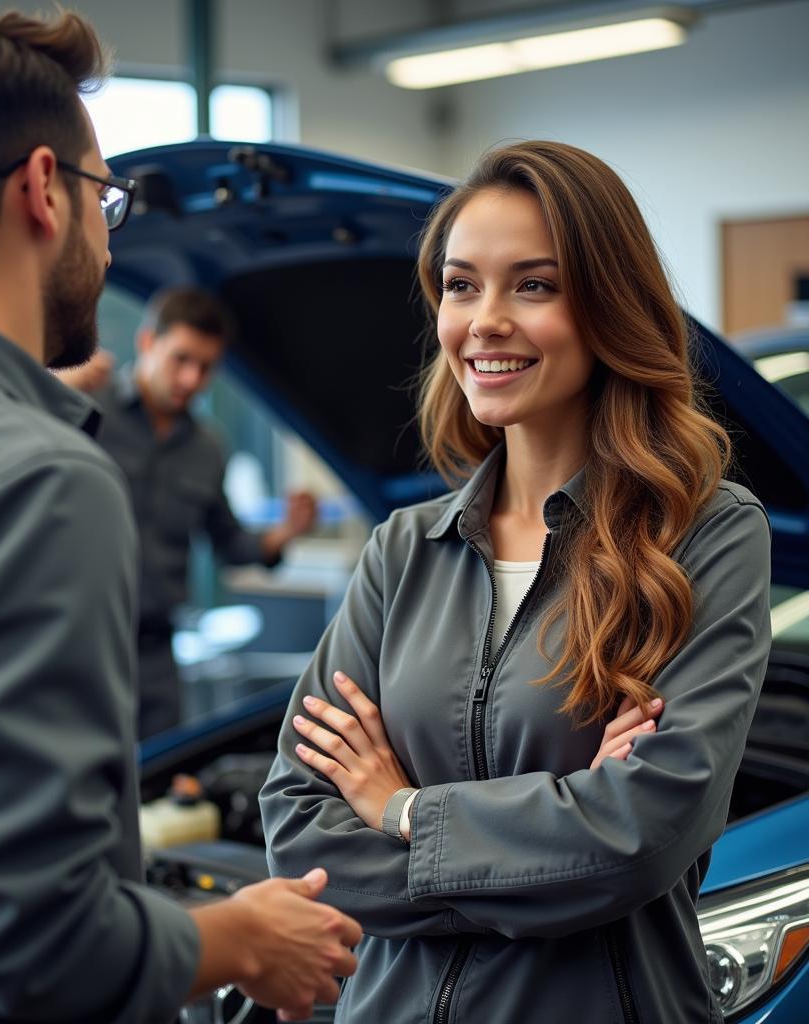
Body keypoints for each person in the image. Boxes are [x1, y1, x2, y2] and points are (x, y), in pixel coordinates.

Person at [0, 2, 361, 1022]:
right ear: (45, 190)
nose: (108, 231)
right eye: (109, 197)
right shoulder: (37, 477)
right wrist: (241, 935)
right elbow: (38, 944)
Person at [259, 140, 772, 1023]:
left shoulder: (706, 534)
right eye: (461, 285)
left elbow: (637, 841)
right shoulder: (402, 549)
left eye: (533, 285)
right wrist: (555, 843)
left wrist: (400, 806)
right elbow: (302, 833)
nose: (484, 320)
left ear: (609, 306)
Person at [57, 287, 317, 739]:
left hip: (156, 659)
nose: (191, 379)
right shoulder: (82, 409)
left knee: (160, 796)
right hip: (75, 644)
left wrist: (282, 535)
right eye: (181, 359)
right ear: (146, 343)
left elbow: (230, 544)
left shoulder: (207, 448)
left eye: (205, 367)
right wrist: (52, 391)